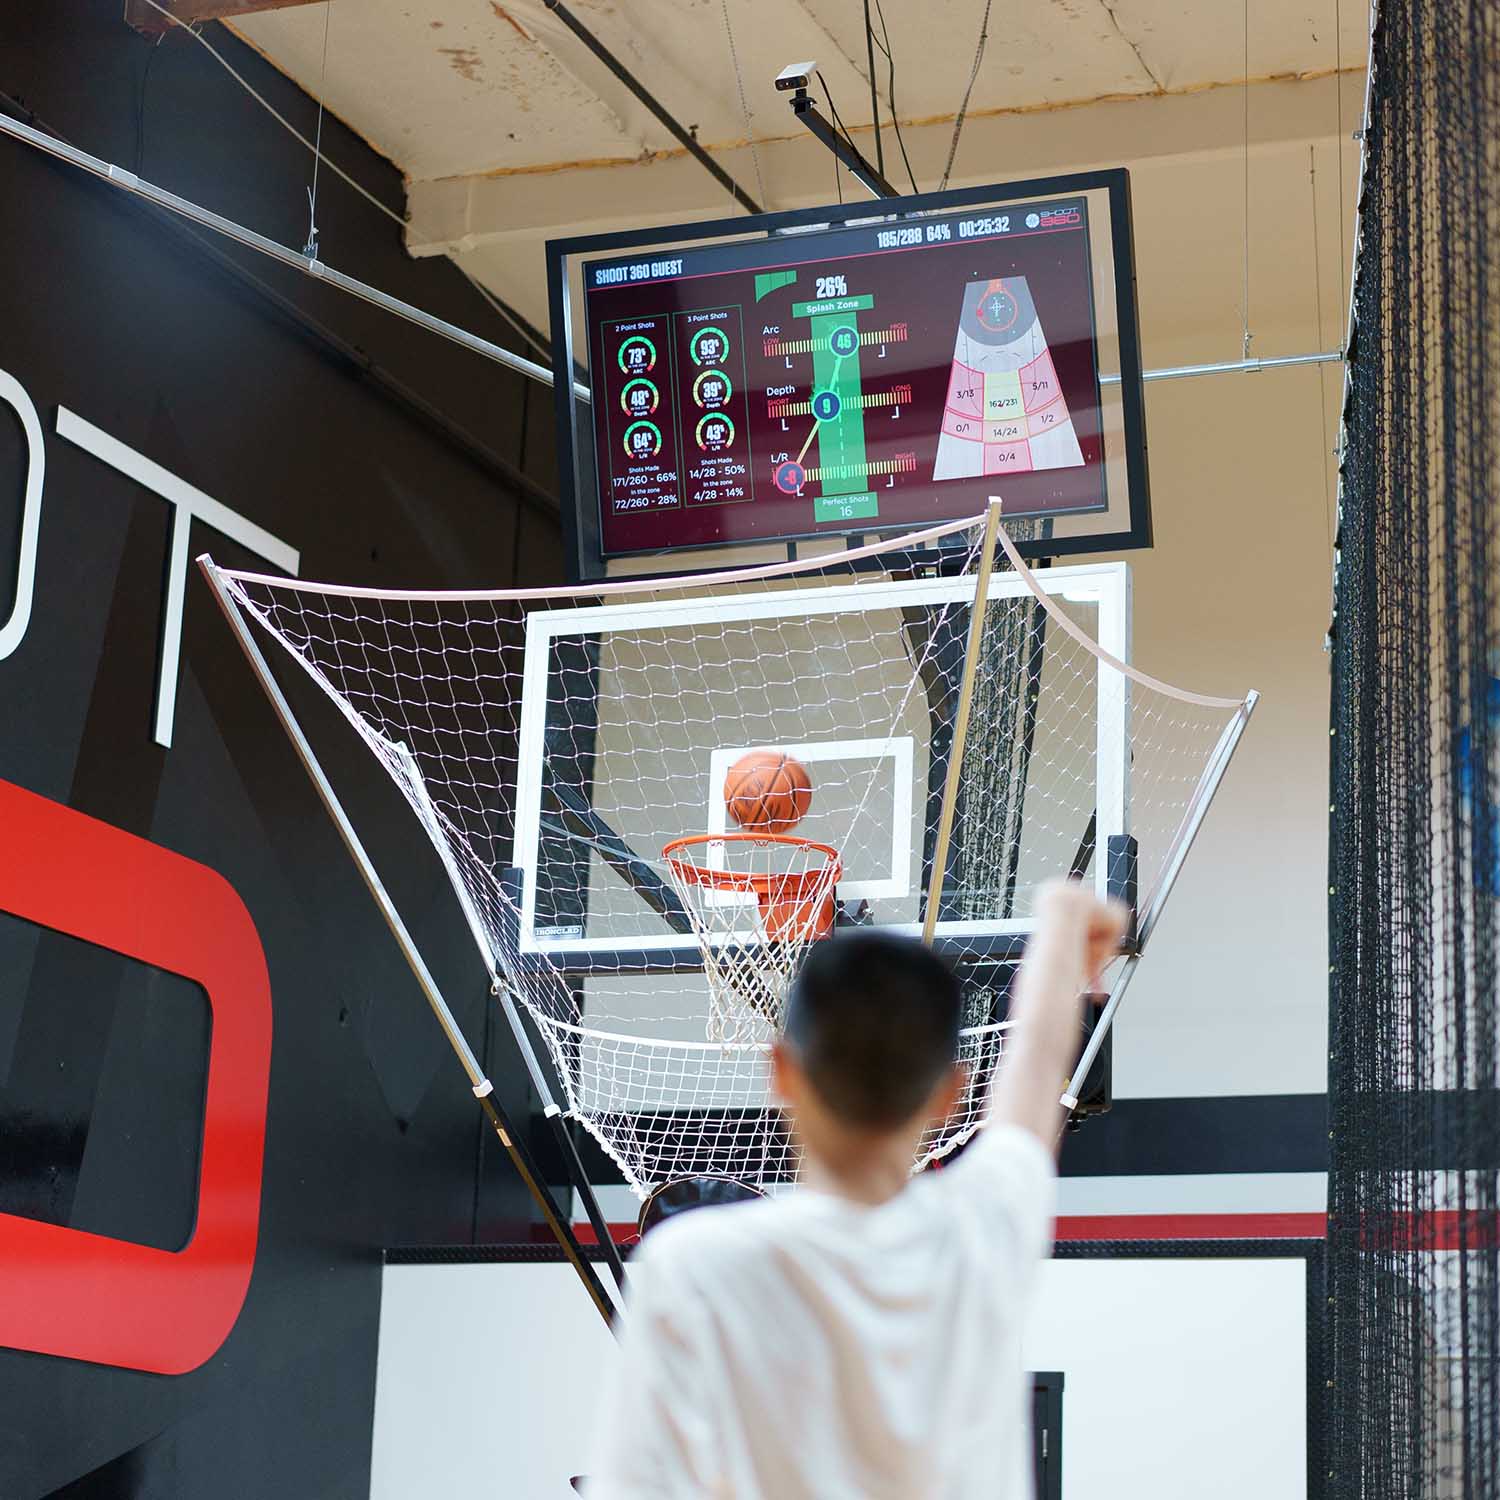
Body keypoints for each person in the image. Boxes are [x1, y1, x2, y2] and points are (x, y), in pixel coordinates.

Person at [589, 880, 1128, 1499]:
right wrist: (1062, 932)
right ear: (951, 1095)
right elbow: (1031, 1074)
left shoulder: (692, 1266)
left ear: (782, 1072)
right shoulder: (983, 1228)